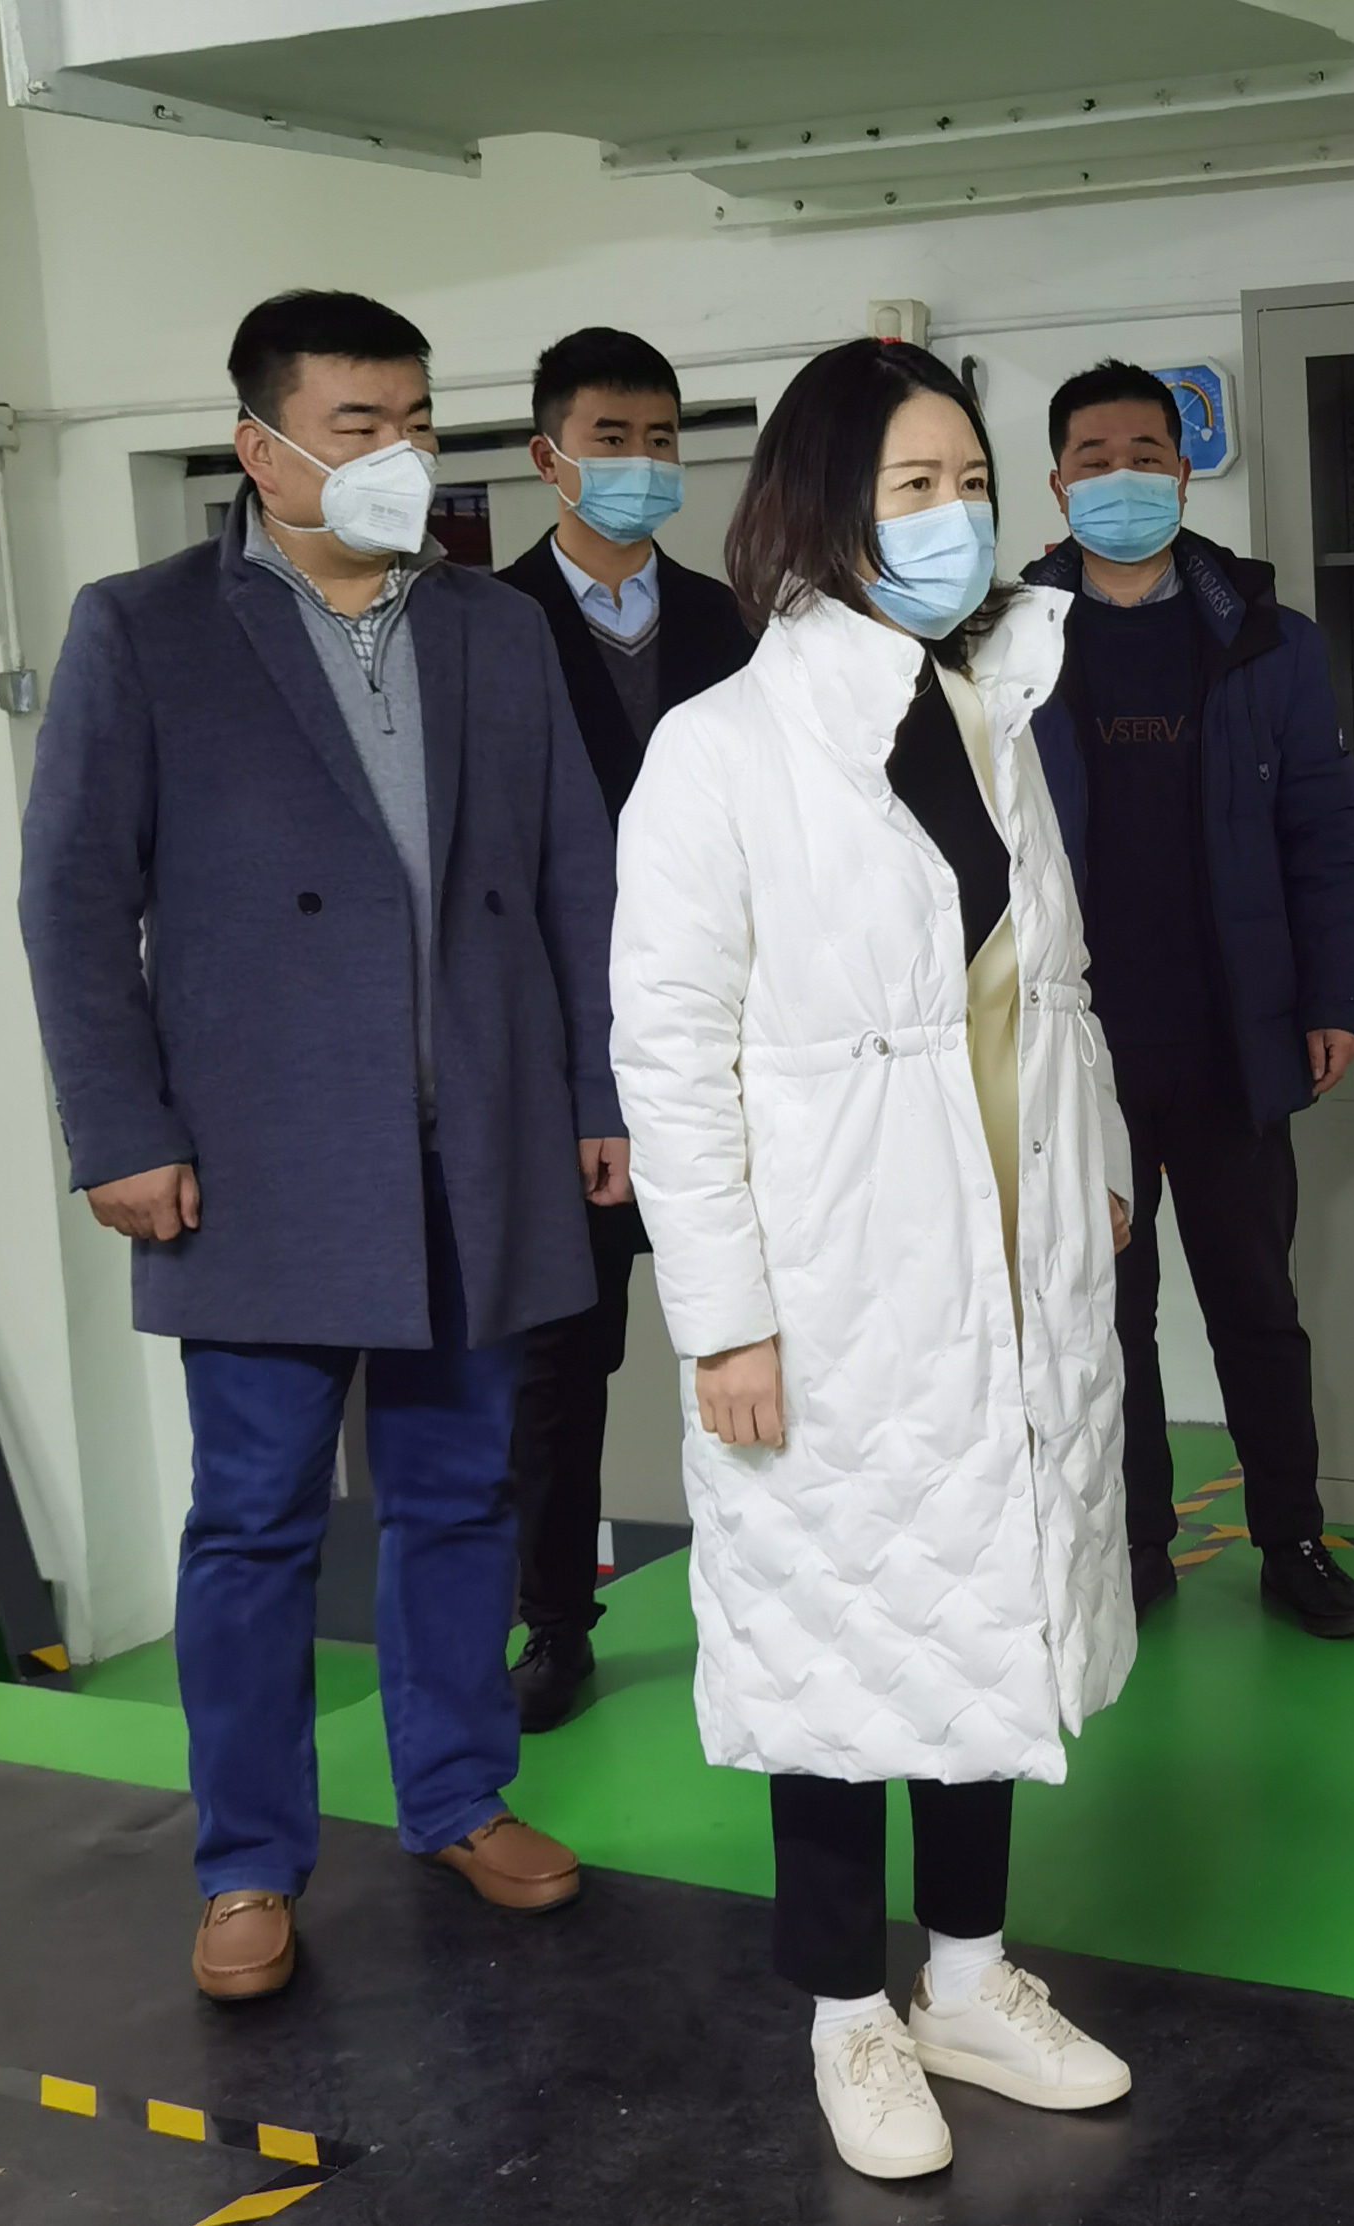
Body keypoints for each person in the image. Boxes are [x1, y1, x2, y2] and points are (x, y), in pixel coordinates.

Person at [19, 290, 626, 2002]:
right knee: (256, 1519)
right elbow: (73, 898)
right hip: (259, 1156)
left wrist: (600, 1094)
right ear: (262, 445)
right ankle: (244, 1863)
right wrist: (118, 1128)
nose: (397, 454)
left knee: (459, 1495)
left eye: (415, 420)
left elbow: (578, 876)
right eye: (358, 425)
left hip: (477, 1141)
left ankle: (456, 1795)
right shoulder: (145, 626)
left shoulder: (495, 628)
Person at [613, 338, 1138, 2181]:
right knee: (839, 1644)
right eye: (914, 485)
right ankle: (849, 2012)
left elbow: (1051, 980)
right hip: (835, 1284)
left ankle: (970, 1979)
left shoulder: (994, 706)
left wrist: (1097, 1170)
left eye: (968, 482)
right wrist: (724, 1319)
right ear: (827, 506)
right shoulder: (719, 749)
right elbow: (669, 1055)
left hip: (1008, 1244)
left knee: (981, 1607)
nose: (953, 515)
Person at [1021, 360, 1354, 1637]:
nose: (1122, 477)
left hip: (1234, 1037)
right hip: (1080, 1055)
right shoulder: (1007, 641)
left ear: (1184, 471)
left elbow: (1326, 835)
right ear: (1057, 483)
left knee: (1258, 1311)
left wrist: (1335, 996)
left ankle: (1293, 1538)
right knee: (1104, 1317)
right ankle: (1132, 1544)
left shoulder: (1267, 635)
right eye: (1095, 458)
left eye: (1145, 455)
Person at [494, 325, 756, 1732]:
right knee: (560, 1366)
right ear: (550, 457)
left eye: (662, 439)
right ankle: (555, 1623)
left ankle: (769, 1598)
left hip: (728, 1048)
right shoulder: (484, 625)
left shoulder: (734, 619)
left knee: (755, 1330)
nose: (642, 463)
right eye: (612, 439)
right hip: (560, 1063)